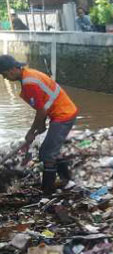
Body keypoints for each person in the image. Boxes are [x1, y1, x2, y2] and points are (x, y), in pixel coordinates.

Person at [0, 55, 78, 195]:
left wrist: (31, 131)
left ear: (12, 69)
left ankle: (47, 192)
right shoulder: (28, 75)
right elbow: (42, 106)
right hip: (61, 113)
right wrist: (40, 125)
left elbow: (41, 111)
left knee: (47, 154)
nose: (5, 78)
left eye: (4, 74)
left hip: (63, 115)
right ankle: (68, 181)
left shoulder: (29, 82)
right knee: (51, 151)